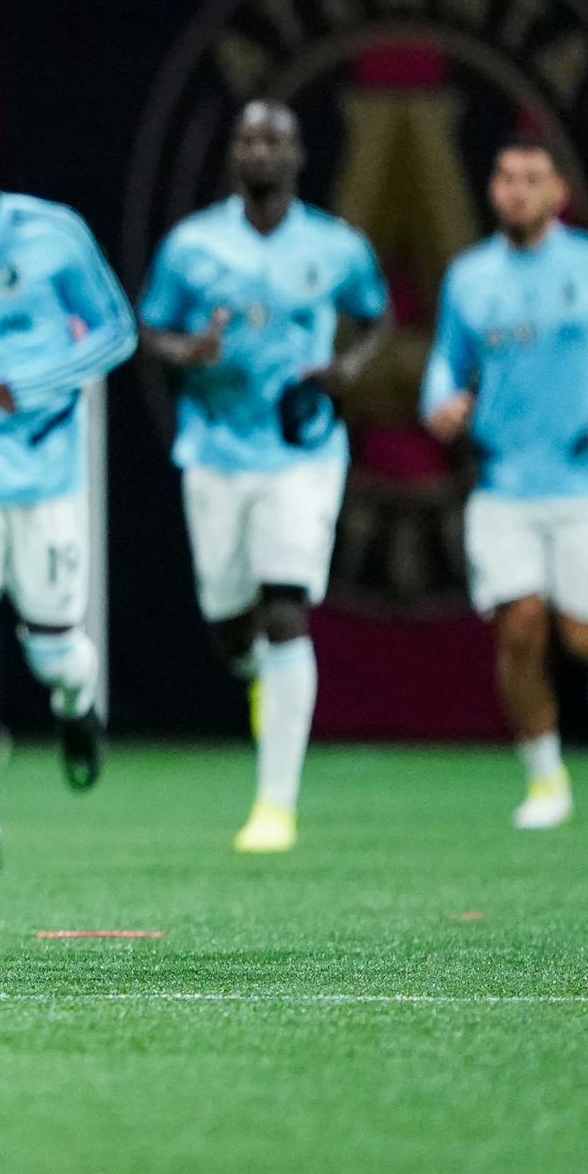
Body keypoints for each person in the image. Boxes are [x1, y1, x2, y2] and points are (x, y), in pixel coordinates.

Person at [138, 101, 389, 854]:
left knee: (287, 609)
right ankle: (253, 672)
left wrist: (346, 366)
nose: (260, 150)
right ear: (234, 153)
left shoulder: (336, 246)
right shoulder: (192, 245)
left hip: (302, 446)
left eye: (275, 138)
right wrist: (188, 352)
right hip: (216, 448)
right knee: (230, 618)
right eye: (247, 137)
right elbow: (151, 325)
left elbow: (376, 318)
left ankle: (276, 804)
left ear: (298, 154)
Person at [0, 134, 136, 873]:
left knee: (55, 653)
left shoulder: (53, 233)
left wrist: (36, 382)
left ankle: (77, 703)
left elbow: (116, 332)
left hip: (43, 475)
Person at [422, 135, 588, 828]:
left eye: (533, 179)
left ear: (557, 193)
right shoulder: (469, 276)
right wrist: (441, 401)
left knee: (581, 635)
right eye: (505, 178)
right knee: (520, 626)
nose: (518, 190)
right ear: (493, 191)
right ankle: (545, 778)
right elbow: (445, 360)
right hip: (505, 481)